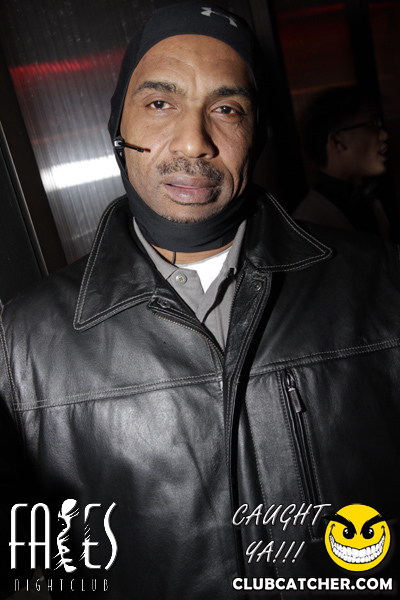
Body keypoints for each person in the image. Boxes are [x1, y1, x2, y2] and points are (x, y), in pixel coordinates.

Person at [1, 3, 400, 599]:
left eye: (226, 108)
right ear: (119, 127)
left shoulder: (382, 283)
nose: (194, 140)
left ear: (256, 132)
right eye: (160, 103)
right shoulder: (21, 343)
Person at [292, 85, 392, 238]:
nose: (383, 135)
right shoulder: (308, 224)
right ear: (337, 141)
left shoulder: (369, 199)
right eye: (372, 124)